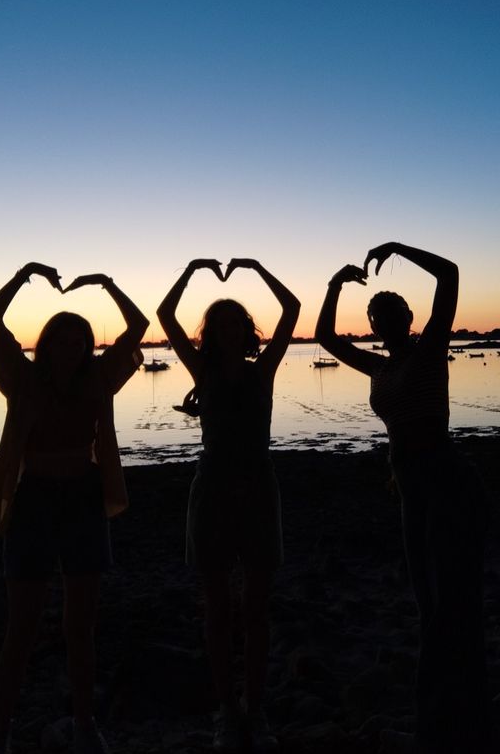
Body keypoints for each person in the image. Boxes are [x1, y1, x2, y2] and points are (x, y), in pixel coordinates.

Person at [316, 242, 497, 754]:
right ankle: (442, 723)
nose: (383, 318)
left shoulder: (431, 348)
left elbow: (450, 274)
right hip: (410, 490)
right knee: (428, 604)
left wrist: (397, 248)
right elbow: (326, 336)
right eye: (376, 313)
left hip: (447, 482)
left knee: (453, 604)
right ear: (373, 325)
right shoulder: (377, 369)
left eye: (392, 310)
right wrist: (335, 284)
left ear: (409, 317)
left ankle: (456, 723)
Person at [0, 262, 148, 754]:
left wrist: (108, 284)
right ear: (46, 343)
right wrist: (23, 274)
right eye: (62, 339)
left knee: (81, 626)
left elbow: (138, 327)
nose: (72, 348)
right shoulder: (22, 378)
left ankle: (84, 725)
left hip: (83, 502)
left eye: (80, 341)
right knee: (22, 627)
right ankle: (2, 730)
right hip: (32, 504)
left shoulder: (99, 378)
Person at [157, 258, 300, 753]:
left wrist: (258, 267)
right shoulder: (201, 371)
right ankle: (225, 710)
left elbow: (293, 308)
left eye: (236, 323)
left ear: (246, 332)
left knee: (257, 609)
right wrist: (194, 269)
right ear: (210, 335)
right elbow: (165, 313)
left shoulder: (265, 371)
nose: (228, 330)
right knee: (217, 608)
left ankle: (254, 710)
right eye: (219, 325)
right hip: (214, 488)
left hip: (260, 487)